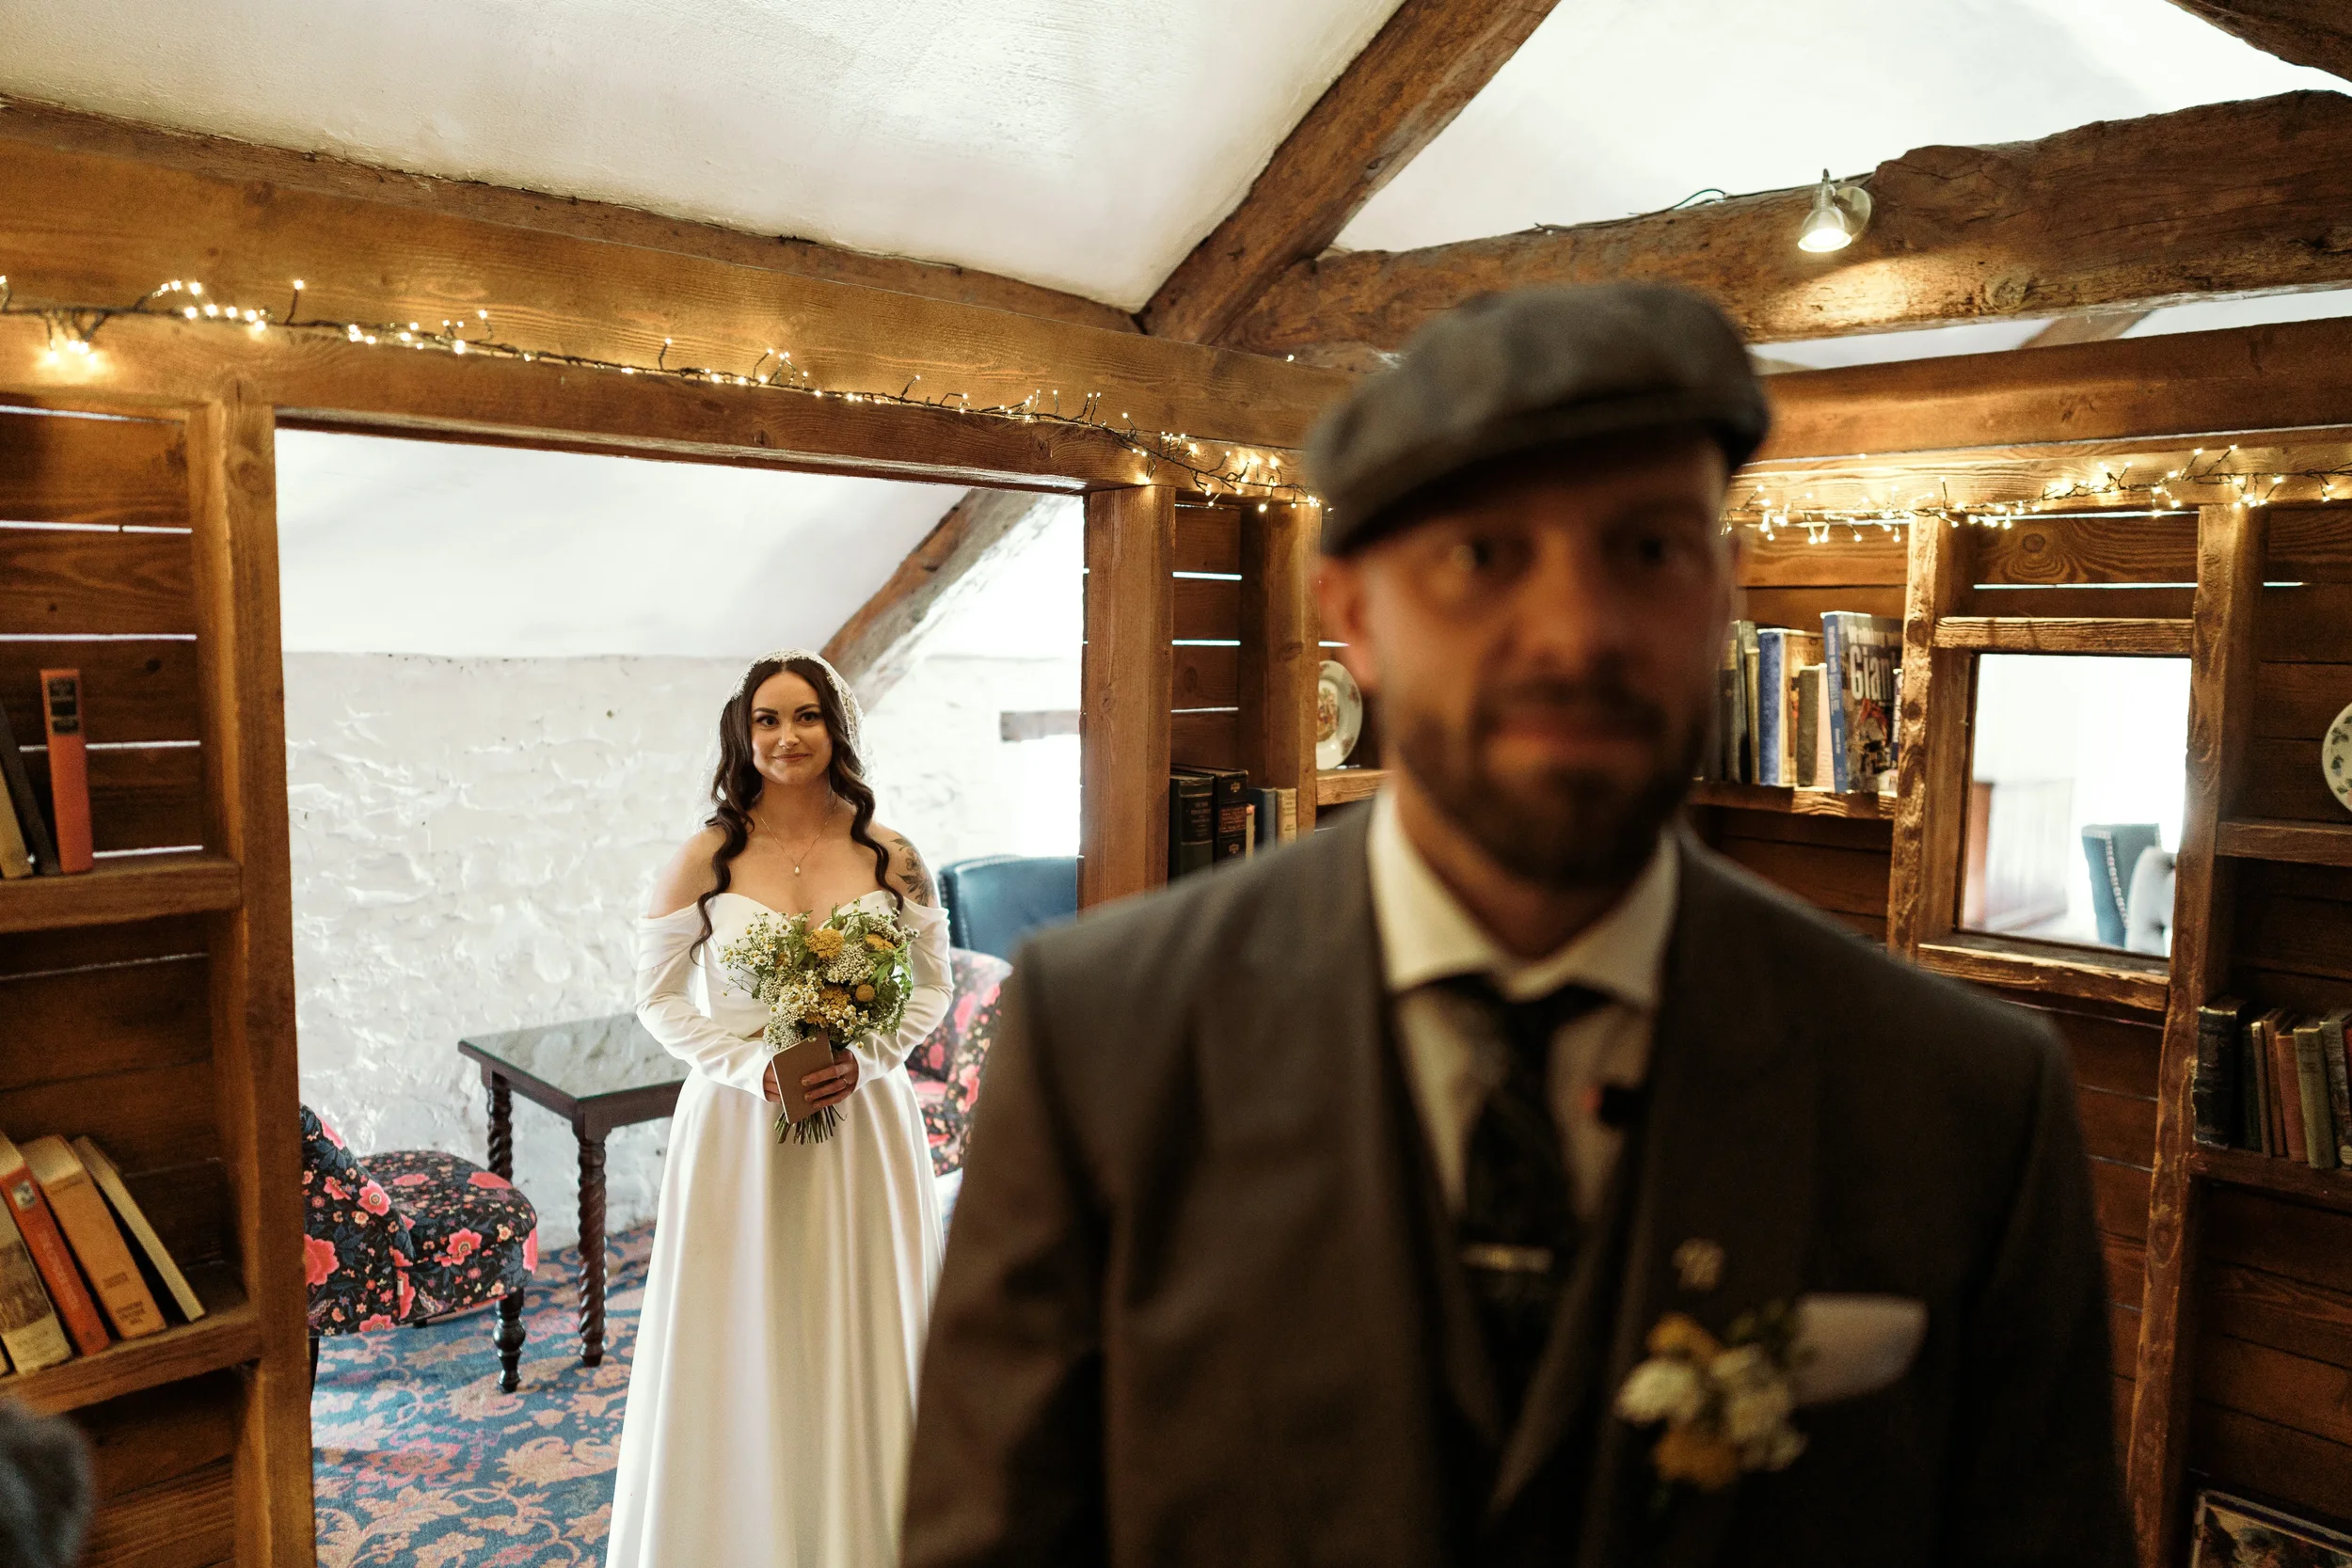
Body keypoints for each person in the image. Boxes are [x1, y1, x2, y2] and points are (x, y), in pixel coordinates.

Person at [903, 285, 2130, 1566]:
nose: (1576, 633)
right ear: (1358, 617)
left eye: (1649, 548)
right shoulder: (1106, 1038)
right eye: (1483, 555)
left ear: (1724, 592)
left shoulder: (1963, 1101)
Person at [608, 649, 951, 1568]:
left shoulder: (895, 851)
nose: (786, 735)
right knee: (742, 1322)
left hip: (863, 1123)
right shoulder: (706, 856)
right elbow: (658, 996)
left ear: (836, 726)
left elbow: (930, 987)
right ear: (742, 731)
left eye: (805, 715)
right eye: (766, 718)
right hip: (737, 1128)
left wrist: (863, 1056)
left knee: (857, 1311)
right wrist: (753, 1064)